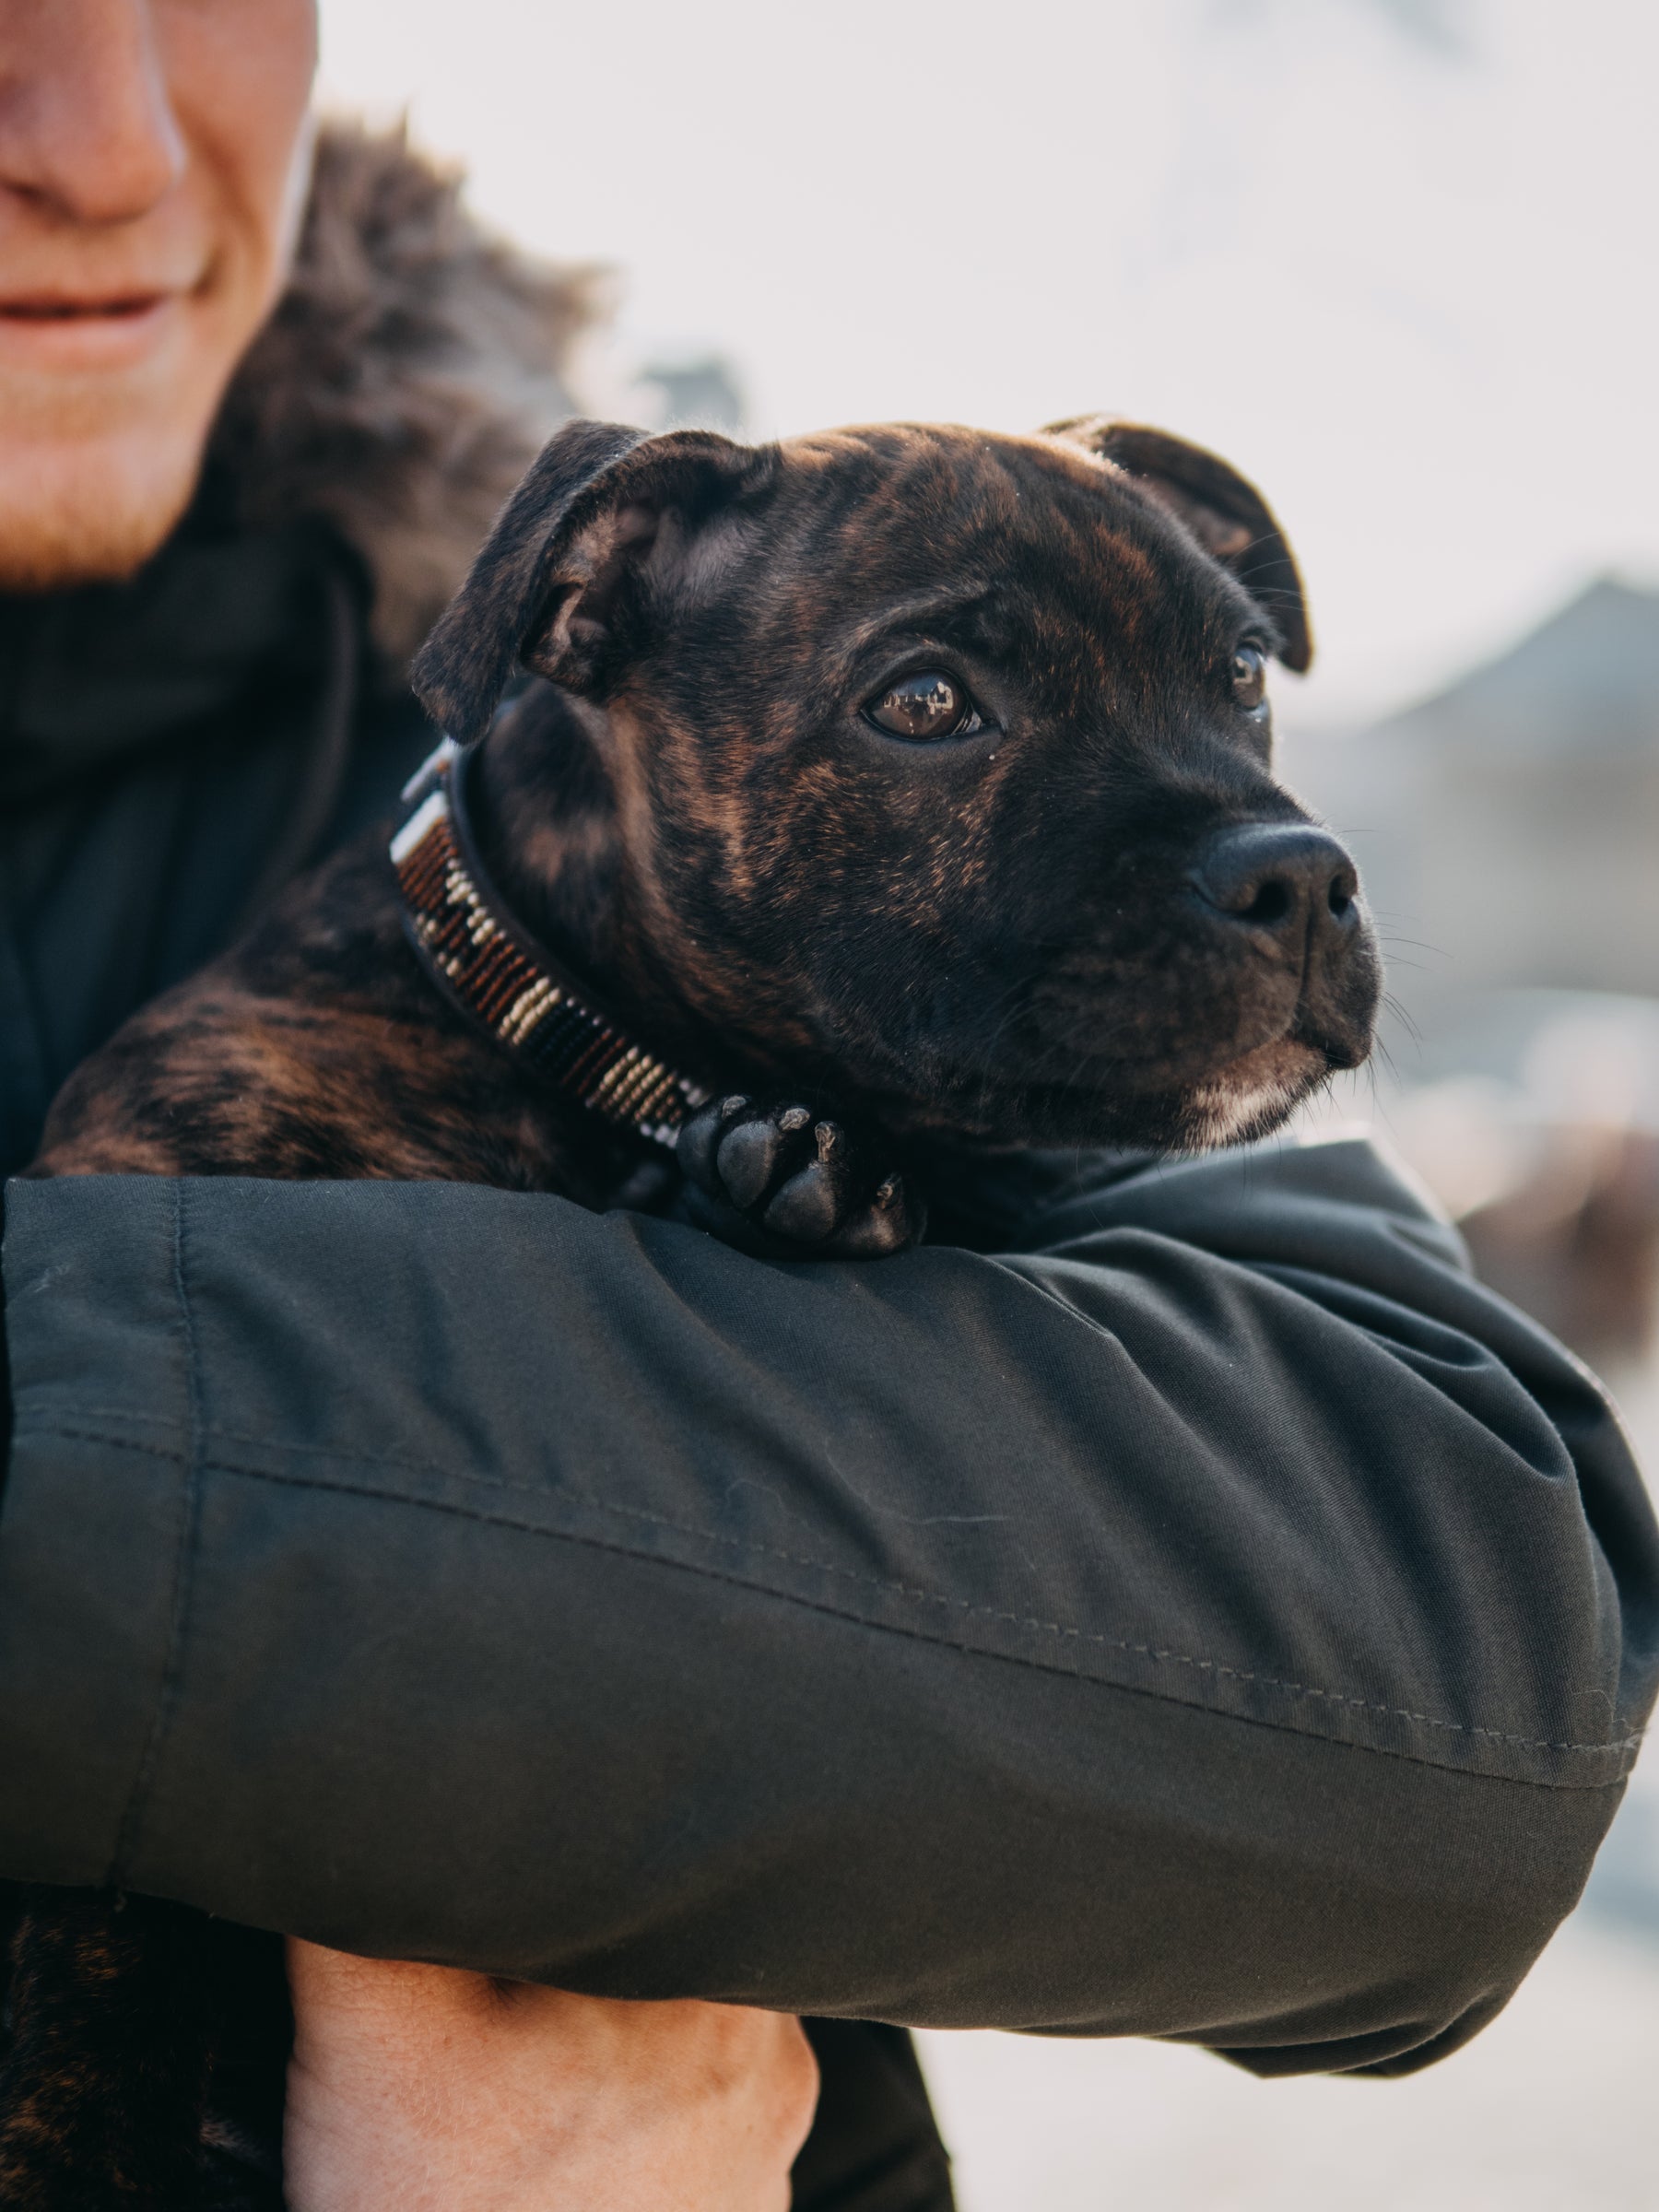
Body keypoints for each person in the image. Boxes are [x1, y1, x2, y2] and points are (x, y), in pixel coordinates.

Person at [1, 5, 1655, 2209]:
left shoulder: (864, 1055)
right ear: (579, 627)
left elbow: (1451, 1659)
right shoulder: (272, 1087)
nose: (1258, 835)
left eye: (1226, 682)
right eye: (939, 703)